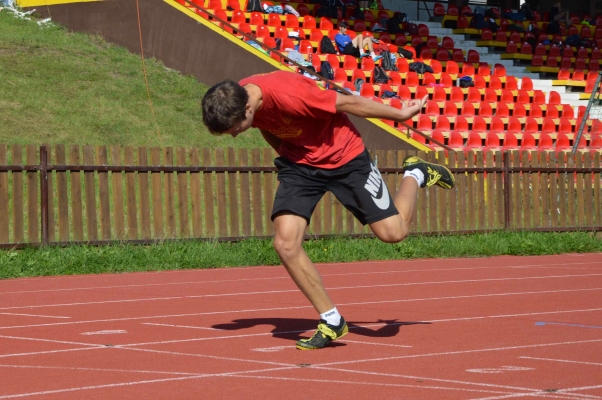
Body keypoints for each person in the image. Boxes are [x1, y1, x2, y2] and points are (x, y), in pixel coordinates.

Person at [201, 71, 454, 350]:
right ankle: (331, 319)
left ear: (247, 108)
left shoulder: (291, 93)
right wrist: (286, 154)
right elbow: (267, 125)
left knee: (394, 233)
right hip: (300, 166)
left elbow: (349, 103)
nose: (236, 135)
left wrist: (401, 115)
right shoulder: (242, 97)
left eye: (236, 128)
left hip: (345, 158)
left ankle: (415, 174)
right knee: (285, 243)